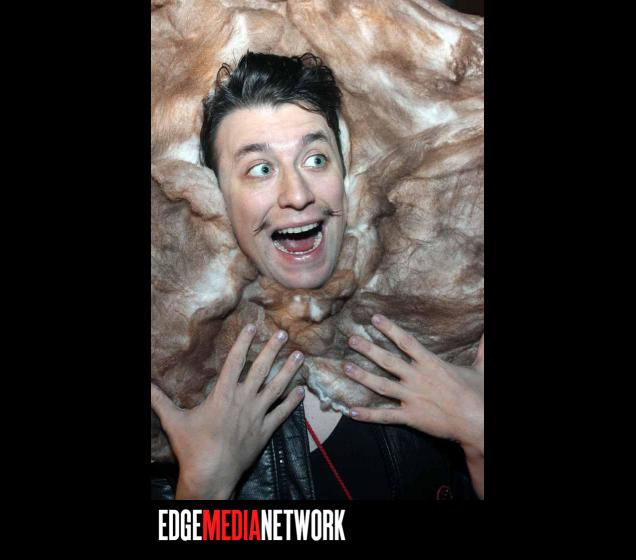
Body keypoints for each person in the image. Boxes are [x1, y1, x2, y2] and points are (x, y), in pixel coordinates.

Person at [150, 51, 484, 500]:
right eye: (261, 169)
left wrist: (479, 436)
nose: (298, 194)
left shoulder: (440, 344)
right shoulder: (185, 408)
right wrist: (203, 486)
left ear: (345, 177)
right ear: (216, 201)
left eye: (316, 160)